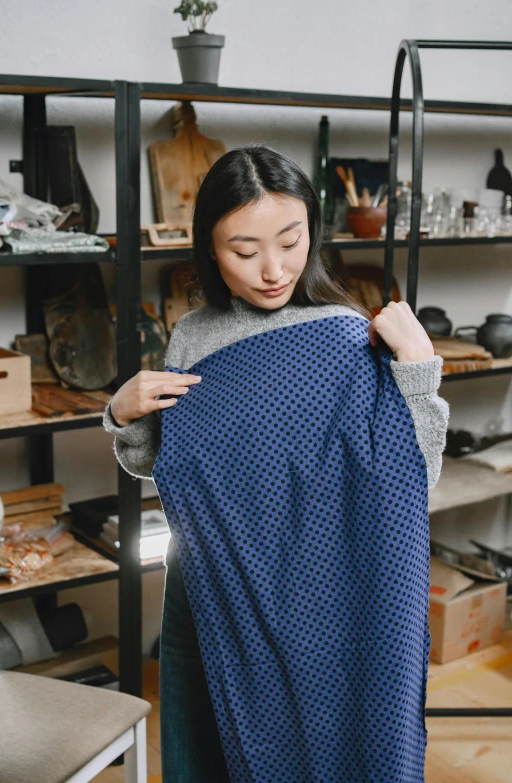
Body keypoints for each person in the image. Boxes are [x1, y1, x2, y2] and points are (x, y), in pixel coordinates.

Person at [103, 144, 449, 783]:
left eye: (291, 241)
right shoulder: (192, 337)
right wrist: (123, 415)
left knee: (319, 746)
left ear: (312, 234)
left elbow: (407, 482)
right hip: (207, 584)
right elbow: (171, 471)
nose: (272, 269)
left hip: (321, 589)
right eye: (244, 250)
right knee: (206, 747)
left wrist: (419, 373)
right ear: (209, 247)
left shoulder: (346, 334)